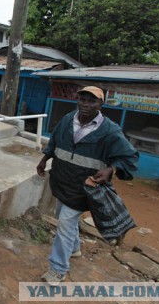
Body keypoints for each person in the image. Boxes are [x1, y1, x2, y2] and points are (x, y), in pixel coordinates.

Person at [36, 86, 138, 286]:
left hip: (83, 188)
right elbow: (55, 142)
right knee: (61, 217)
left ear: (101, 104)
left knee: (65, 222)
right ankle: (74, 248)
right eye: (82, 99)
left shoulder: (110, 131)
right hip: (62, 181)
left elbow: (130, 158)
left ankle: (58, 269)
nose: (85, 104)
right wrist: (44, 159)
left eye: (91, 101)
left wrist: (111, 170)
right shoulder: (67, 120)